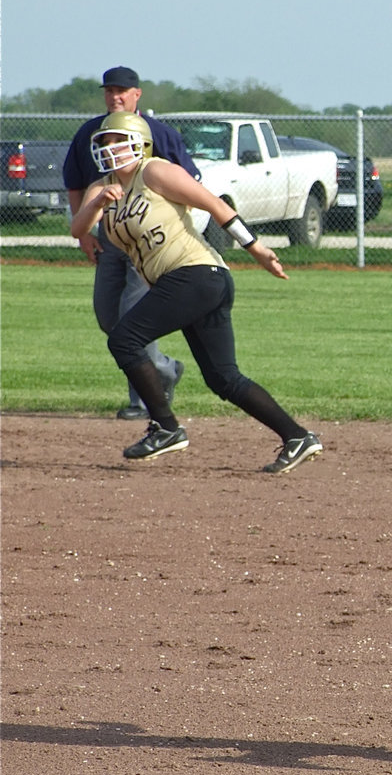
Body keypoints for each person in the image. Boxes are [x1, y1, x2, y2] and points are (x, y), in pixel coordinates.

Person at [69, 111, 323, 474]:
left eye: (117, 140)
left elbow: (216, 205)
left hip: (196, 274)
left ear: (139, 142)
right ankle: (297, 436)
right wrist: (96, 204)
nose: (110, 148)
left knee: (124, 338)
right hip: (187, 284)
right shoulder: (102, 187)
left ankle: (166, 427)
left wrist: (256, 248)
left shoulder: (154, 171)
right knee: (223, 378)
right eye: (104, 142)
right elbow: (79, 228)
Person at [63, 66, 199, 421]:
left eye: (122, 90)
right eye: (109, 91)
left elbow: (188, 179)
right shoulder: (90, 133)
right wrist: (85, 233)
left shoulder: (158, 133)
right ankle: (166, 370)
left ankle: (143, 401)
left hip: (147, 238)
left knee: (132, 319)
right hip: (109, 236)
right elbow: (75, 184)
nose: (115, 97)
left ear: (138, 94)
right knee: (108, 317)